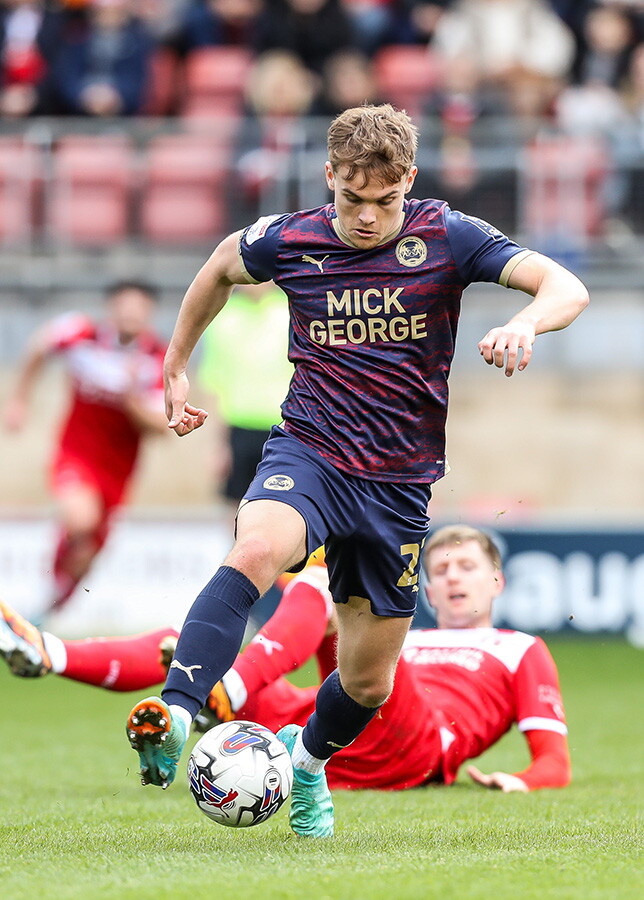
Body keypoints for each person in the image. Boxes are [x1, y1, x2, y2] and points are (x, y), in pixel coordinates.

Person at [124, 103, 587, 838]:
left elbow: (566, 286)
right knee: (254, 549)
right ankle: (177, 712)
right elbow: (218, 268)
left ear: (410, 180)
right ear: (329, 176)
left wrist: (524, 321)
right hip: (308, 450)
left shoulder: (448, 235)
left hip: (398, 483)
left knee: (369, 682)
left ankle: (308, 765)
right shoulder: (290, 238)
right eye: (352, 198)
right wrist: (176, 364)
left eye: (385, 200)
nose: (368, 217)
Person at [0, 526, 571, 793]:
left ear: (497, 581)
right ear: (425, 587)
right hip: (321, 736)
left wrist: (519, 782)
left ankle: (231, 691)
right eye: (440, 569)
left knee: (329, 587)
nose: (452, 578)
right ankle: (48, 652)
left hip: (415, 747)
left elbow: (554, 762)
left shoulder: (520, 647)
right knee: (193, 646)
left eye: (467, 567)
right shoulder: (406, 638)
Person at [2, 280, 168, 620]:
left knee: (90, 549)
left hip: (118, 472)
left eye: (139, 309)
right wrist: (20, 399)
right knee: (81, 520)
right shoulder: (82, 334)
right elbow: (39, 346)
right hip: (75, 454)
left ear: (149, 314)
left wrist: (130, 398)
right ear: (111, 308)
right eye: (125, 306)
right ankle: (53, 571)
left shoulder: (157, 358)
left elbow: (160, 427)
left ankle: (45, 612)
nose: (131, 314)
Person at [196, 281, 293, 509]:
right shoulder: (223, 317)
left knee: (284, 504)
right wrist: (217, 446)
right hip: (237, 426)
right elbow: (213, 382)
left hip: (286, 427)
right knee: (237, 504)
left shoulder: (292, 311)